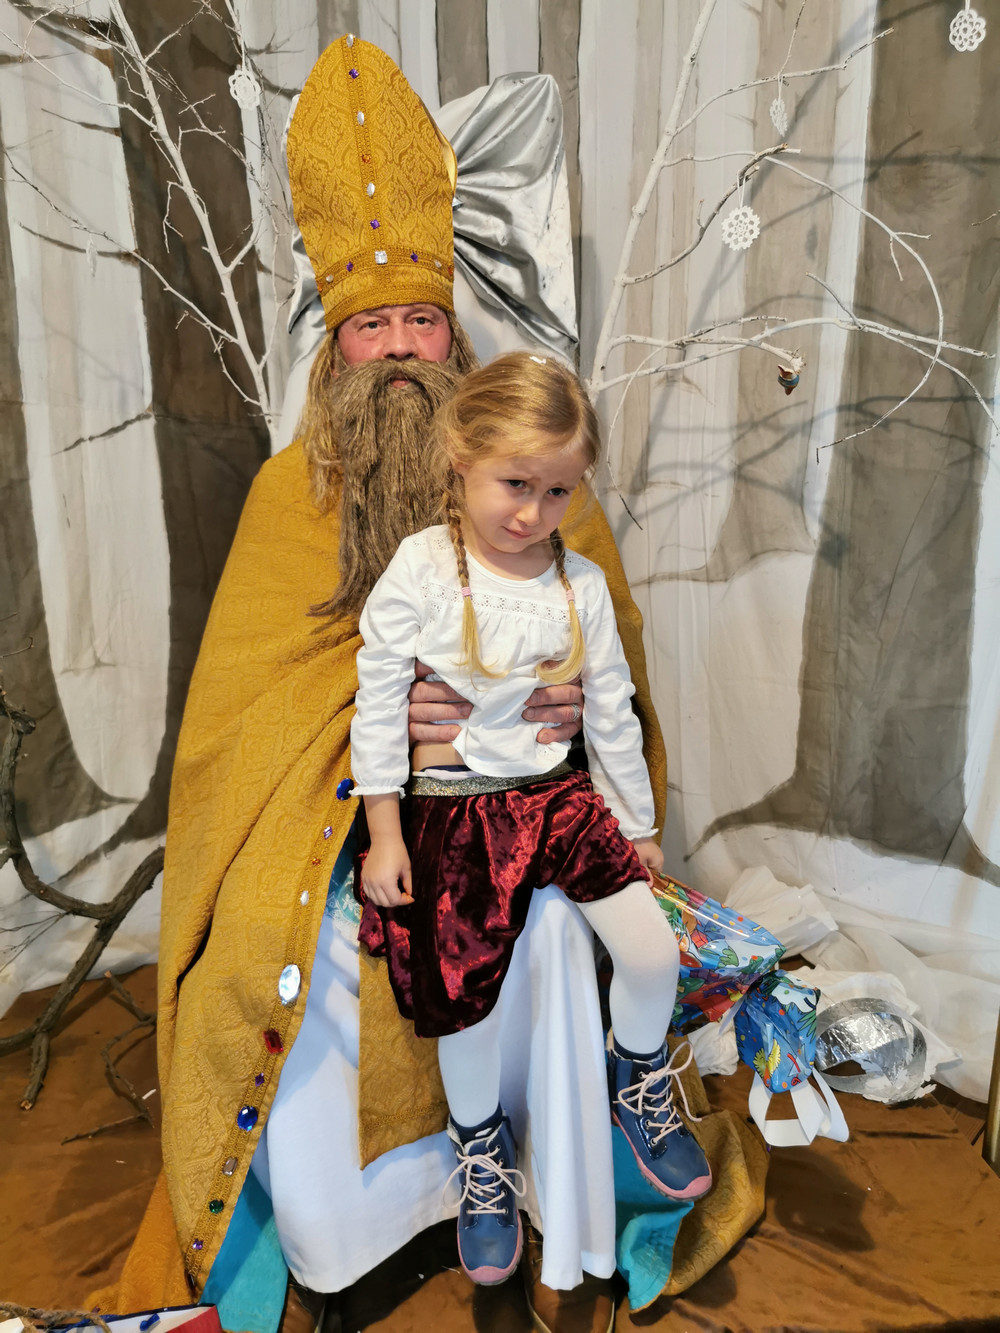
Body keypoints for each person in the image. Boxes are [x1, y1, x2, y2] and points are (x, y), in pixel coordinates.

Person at [93, 37, 669, 1333]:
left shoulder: (528, 478)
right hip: (345, 833)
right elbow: (241, 726)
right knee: (281, 950)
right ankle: (355, 1239)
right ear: (337, 347)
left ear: (452, 331)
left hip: (522, 812)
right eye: (373, 326)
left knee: (556, 922)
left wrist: (559, 728)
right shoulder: (282, 498)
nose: (402, 349)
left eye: (421, 320)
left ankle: (529, 1185)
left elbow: (610, 662)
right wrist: (374, 768)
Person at [351, 352, 712, 1286]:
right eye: (516, 484)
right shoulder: (423, 567)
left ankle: (637, 1077)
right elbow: (379, 700)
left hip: (558, 799)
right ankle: (482, 1152)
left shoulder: (576, 581)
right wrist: (385, 832)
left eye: (558, 491)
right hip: (456, 810)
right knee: (467, 1000)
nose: (533, 512)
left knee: (651, 951)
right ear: (461, 457)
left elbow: (610, 709)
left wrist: (635, 824)